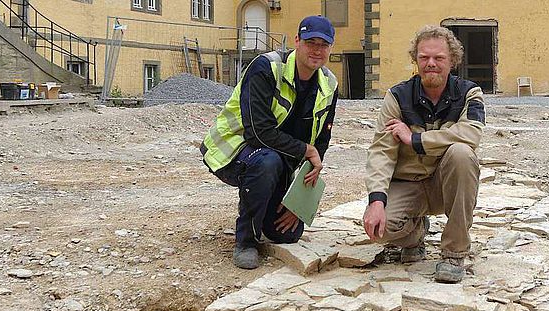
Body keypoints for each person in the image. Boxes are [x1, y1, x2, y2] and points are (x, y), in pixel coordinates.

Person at [200, 16, 338, 269]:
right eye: (310, 42)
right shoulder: (266, 68)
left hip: (279, 156)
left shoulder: (329, 83)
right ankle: (246, 241)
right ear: (297, 41)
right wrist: (306, 150)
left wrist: (298, 201)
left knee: (286, 234)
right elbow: (258, 132)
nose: (317, 50)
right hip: (235, 151)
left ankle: (259, 203)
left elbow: (321, 140)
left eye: (323, 44)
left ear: (331, 48)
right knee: (266, 162)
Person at [362, 25, 485, 283]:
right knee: (380, 231)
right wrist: (376, 200)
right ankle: (415, 233)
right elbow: (382, 151)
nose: (431, 64)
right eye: (424, 57)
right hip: (408, 184)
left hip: (443, 184)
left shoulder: (469, 93)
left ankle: (453, 253)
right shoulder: (397, 96)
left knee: (462, 154)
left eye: (439, 58)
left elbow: (471, 135)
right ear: (415, 60)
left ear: (452, 60)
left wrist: (414, 139)